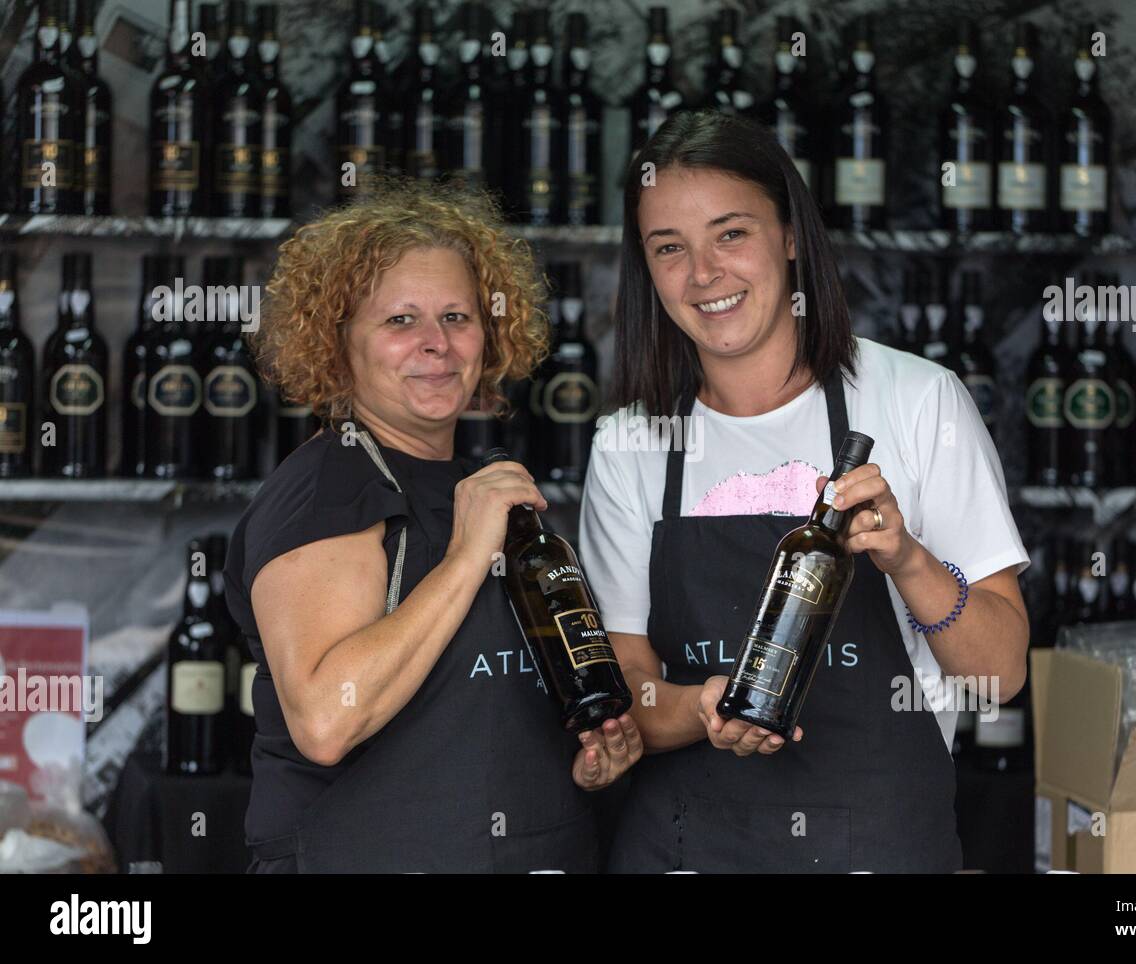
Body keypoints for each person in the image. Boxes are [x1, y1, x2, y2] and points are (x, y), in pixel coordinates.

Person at [579, 111, 1030, 873]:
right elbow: (626, 694)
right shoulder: (632, 443)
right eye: (669, 248)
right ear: (647, 270)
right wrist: (702, 709)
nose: (704, 274)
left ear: (790, 236)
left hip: (878, 848)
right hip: (685, 850)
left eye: (731, 234)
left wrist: (908, 560)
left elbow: (1003, 673)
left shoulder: (919, 402)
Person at [223, 182, 642, 873]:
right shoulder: (329, 488)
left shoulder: (479, 486)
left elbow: (481, 707)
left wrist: (590, 759)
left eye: (456, 316)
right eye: (399, 322)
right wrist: (465, 557)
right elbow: (327, 722)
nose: (436, 344)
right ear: (336, 341)